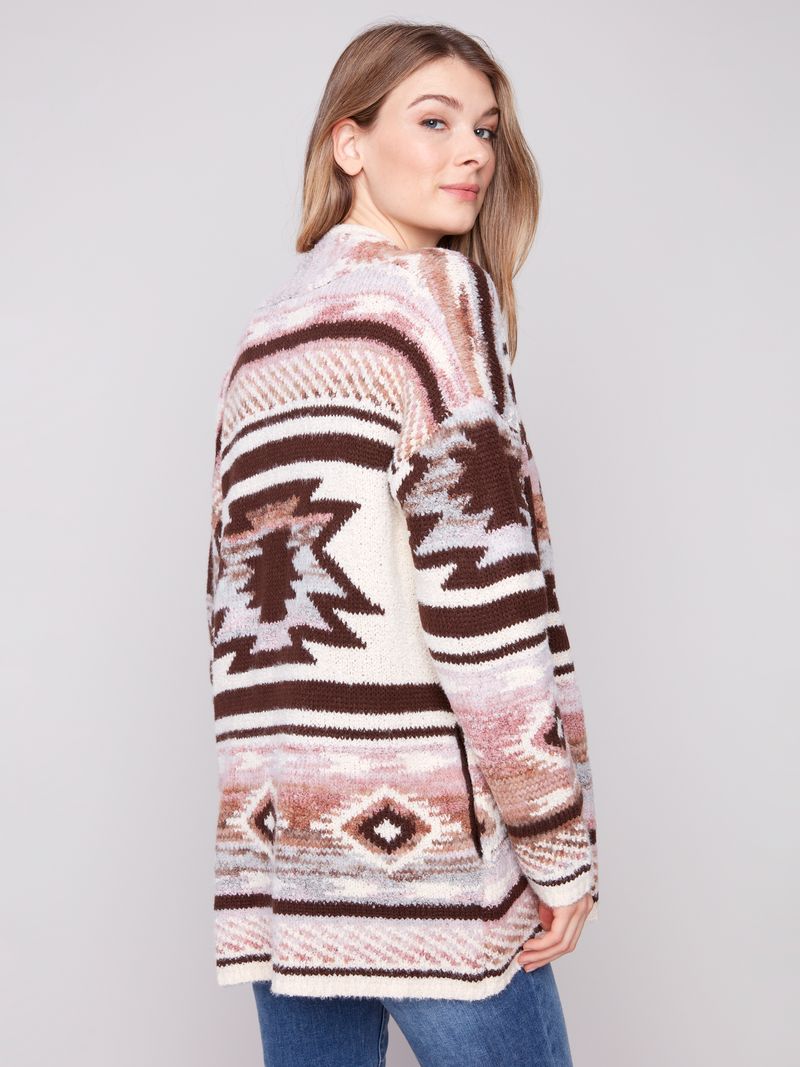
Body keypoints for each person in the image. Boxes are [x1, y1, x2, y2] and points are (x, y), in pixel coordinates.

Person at [206, 20, 599, 1067]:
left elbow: (239, 621)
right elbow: (483, 604)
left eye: (485, 128)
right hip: (424, 858)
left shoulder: (263, 337)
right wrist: (555, 842)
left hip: (291, 857)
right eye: (433, 121)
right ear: (350, 143)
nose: (472, 151)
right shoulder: (435, 301)